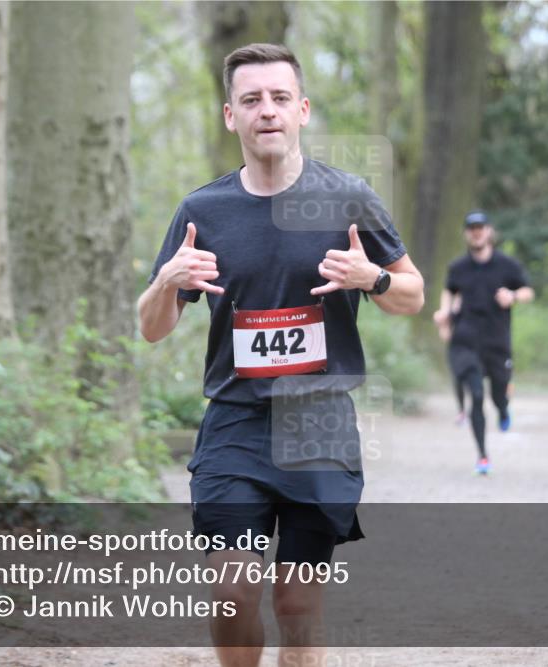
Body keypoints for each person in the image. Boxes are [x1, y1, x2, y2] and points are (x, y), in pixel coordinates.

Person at [137, 44, 424, 667]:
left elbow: (413, 294)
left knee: (297, 605)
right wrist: (166, 282)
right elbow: (152, 328)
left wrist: (372, 278)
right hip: (236, 424)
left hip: (318, 424)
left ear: (302, 110)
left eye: (279, 98)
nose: (266, 110)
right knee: (231, 591)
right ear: (230, 116)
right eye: (251, 100)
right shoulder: (202, 211)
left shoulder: (348, 198)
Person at [433, 211, 534, 475]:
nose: (476, 232)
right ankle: (483, 456)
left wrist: (512, 296)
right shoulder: (458, 267)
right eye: (471, 228)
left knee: (499, 392)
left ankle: (503, 409)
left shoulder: (507, 265)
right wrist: (444, 315)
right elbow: (449, 291)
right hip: (466, 339)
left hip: (497, 341)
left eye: (480, 228)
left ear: (489, 232)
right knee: (476, 395)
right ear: (466, 234)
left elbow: (528, 291)